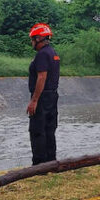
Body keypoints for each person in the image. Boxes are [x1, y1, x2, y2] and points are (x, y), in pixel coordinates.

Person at [26, 23, 60, 165]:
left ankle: (39, 165)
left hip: (42, 98)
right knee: (49, 130)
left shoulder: (41, 55)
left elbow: (42, 77)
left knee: (37, 131)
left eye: (33, 39)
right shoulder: (53, 53)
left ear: (39, 39)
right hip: (52, 96)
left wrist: (34, 100)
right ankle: (51, 162)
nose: (32, 43)